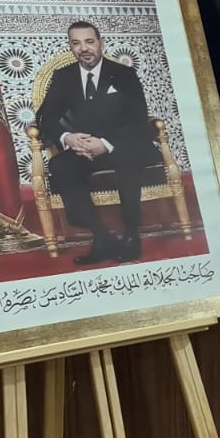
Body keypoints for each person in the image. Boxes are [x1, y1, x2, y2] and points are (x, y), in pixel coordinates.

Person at [36, 21, 157, 265]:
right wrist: (68, 138)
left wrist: (105, 143)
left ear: (101, 43)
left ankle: (131, 235)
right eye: (76, 43)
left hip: (122, 144)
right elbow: (45, 117)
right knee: (61, 165)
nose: (83, 48)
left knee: (127, 157)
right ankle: (102, 237)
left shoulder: (124, 74)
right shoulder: (64, 77)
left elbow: (138, 119)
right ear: (71, 47)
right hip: (83, 148)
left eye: (89, 41)